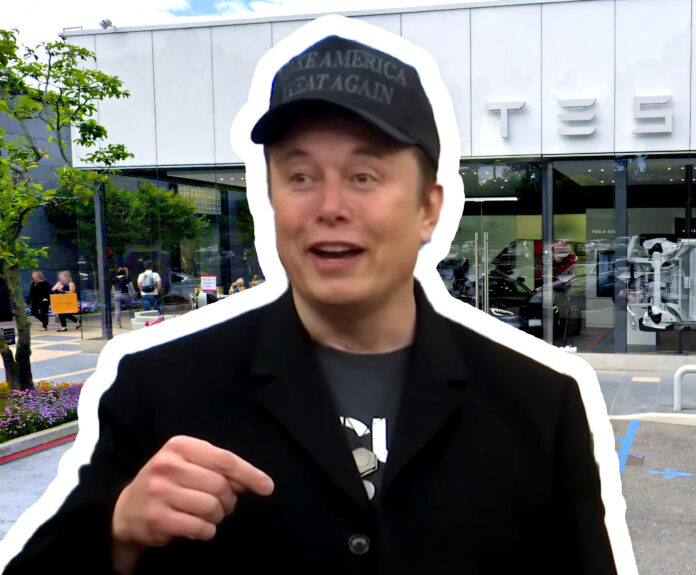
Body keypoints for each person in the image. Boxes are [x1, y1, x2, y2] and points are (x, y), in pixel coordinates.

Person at [4, 30, 620, 575]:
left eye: (364, 176)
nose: (329, 206)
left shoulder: (540, 407)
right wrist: (116, 535)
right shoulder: (158, 390)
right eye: (300, 176)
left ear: (429, 209)